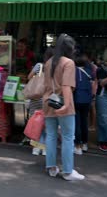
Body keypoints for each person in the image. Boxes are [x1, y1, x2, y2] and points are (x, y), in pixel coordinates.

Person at [42, 33, 84, 181]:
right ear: (70, 48)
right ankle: (67, 171)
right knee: (67, 137)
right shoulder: (68, 63)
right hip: (62, 103)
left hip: (48, 102)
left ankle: (51, 167)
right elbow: (66, 86)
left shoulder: (48, 63)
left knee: (51, 136)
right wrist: (66, 105)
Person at [28, 47, 54, 156]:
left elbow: (29, 77)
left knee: (36, 123)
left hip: (36, 97)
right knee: (47, 125)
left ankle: (36, 148)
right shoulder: (55, 67)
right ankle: (45, 149)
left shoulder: (39, 65)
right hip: (48, 98)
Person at [73, 54, 95, 155]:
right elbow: (93, 85)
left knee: (77, 123)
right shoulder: (90, 72)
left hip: (76, 99)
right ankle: (85, 144)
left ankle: (78, 146)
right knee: (84, 122)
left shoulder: (74, 72)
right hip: (87, 100)